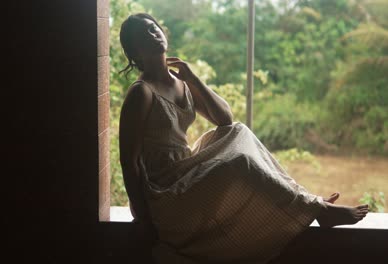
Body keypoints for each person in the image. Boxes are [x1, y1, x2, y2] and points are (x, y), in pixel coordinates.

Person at [118, 13, 369, 264]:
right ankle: (317, 208)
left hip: (183, 171)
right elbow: (130, 161)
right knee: (237, 163)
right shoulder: (142, 93)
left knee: (239, 131)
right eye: (143, 35)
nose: (152, 34)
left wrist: (193, 78)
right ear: (135, 54)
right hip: (163, 193)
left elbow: (225, 119)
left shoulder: (181, 82)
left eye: (153, 28)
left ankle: (309, 202)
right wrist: (143, 218)